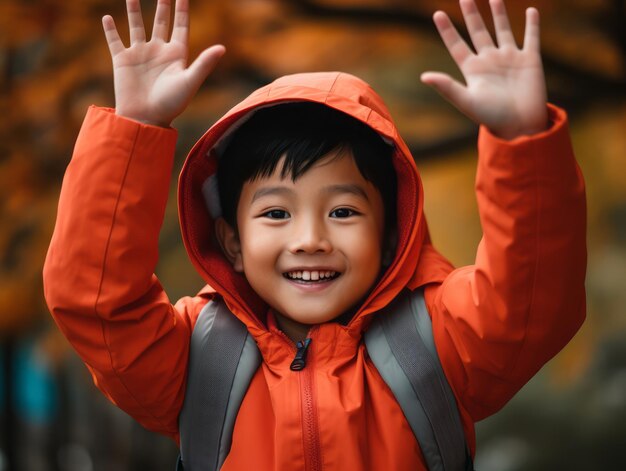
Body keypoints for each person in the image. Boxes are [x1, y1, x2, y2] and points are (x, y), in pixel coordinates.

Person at [43, 0, 586, 469]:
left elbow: (533, 300)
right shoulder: (196, 359)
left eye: (344, 212)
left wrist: (523, 142)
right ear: (230, 240)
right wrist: (133, 128)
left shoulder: (439, 339)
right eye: (276, 214)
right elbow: (96, 301)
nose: (310, 239)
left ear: (392, 230)